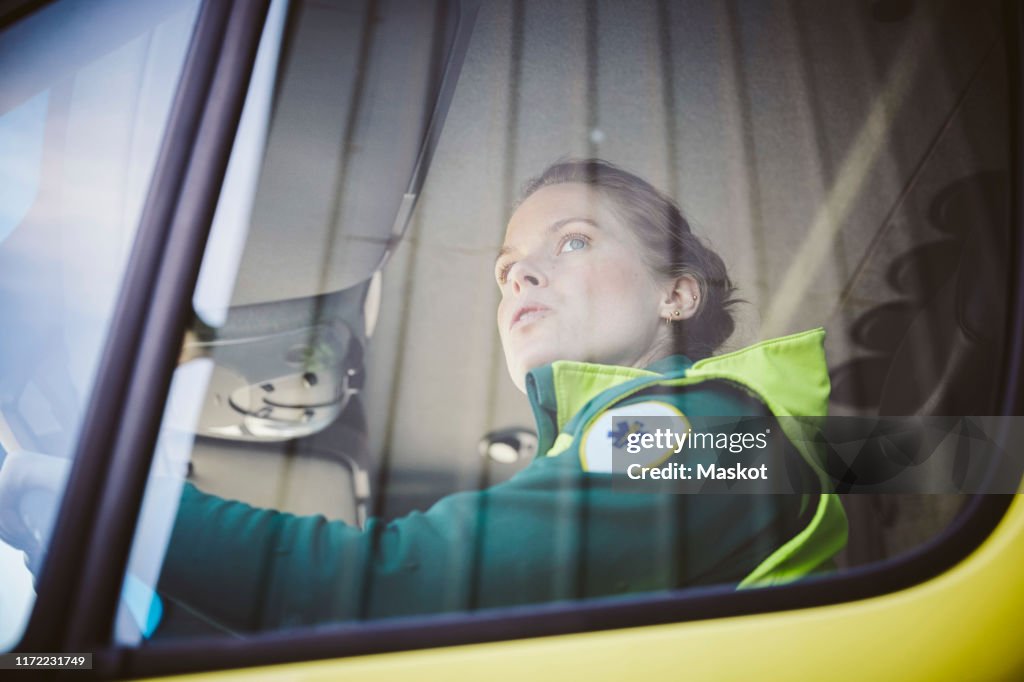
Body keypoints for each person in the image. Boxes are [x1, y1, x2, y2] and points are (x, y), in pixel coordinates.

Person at [0, 159, 847, 635]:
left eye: (575, 241)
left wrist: (85, 496)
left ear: (678, 296)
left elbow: (390, 587)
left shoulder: (707, 432)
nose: (522, 275)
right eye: (508, 267)